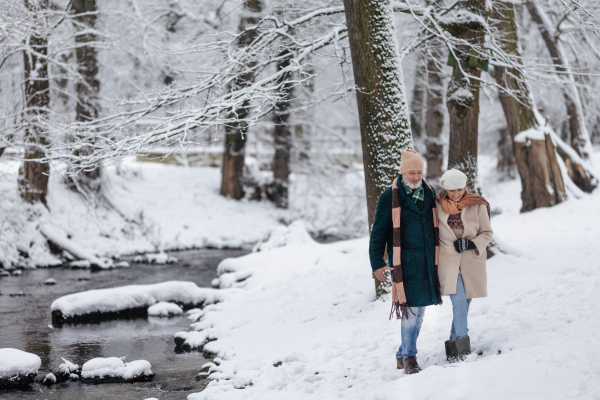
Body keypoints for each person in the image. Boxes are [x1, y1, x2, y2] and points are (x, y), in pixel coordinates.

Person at [369, 149, 443, 375]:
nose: (415, 176)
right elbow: (378, 233)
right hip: (405, 264)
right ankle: (410, 357)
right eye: (411, 172)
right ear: (403, 173)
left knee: (419, 312)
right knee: (410, 313)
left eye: (418, 171)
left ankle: (402, 353)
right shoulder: (389, 197)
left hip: (427, 264)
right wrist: (377, 264)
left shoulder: (429, 192)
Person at [435, 169, 493, 362]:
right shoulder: (436, 205)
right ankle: (463, 350)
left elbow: (487, 232)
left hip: (471, 261)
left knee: (464, 304)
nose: (456, 193)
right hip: (448, 262)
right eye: (451, 190)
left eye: (459, 189)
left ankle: (453, 348)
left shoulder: (477, 204)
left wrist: (471, 243)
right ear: (445, 189)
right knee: (459, 302)